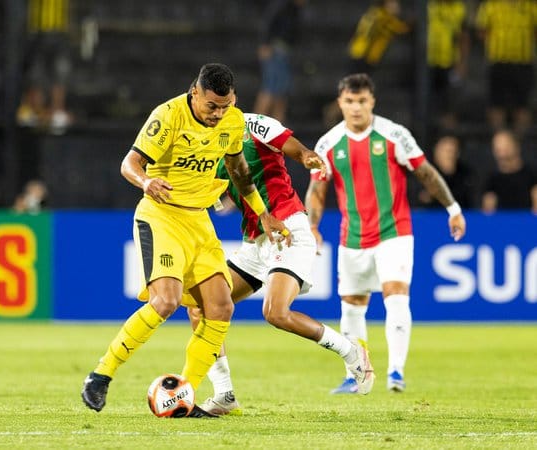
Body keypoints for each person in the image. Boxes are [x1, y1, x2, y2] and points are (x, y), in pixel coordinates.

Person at [81, 63, 287, 418]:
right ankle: (101, 375)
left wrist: (262, 212)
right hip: (162, 217)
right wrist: (146, 181)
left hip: (199, 222)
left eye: (225, 105)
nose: (218, 113)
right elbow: (129, 163)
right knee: (166, 301)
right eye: (211, 106)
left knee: (221, 307)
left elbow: (239, 171)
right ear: (195, 93)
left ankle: (183, 395)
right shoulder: (168, 116)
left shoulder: (233, 121)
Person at [187, 111, 375, 415]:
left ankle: (352, 352)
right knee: (201, 306)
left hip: (287, 229)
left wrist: (306, 156)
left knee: (275, 312)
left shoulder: (252, 124)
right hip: (255, 241)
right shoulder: (206, 141)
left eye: (220, 105)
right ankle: (224, 395)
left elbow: (291, 146)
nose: (213, 112)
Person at [305, 73, 467, 394]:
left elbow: (426, 173)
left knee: (396, 295)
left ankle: (396, 373)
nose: (356, 108)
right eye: (350, 101)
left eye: (362, 101)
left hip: (394, 232)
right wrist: (312, 226)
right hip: (352, 237)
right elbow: (317, 191)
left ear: (372, 102)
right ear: (340, 103)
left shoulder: (394, 135)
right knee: (352, 305)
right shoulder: (327, 144)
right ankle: (357, 375)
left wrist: (453, 208)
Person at [323, 0, 410, 127]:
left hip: (358, 55)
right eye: (393, 3)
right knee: (355, 91)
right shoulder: (384, 17)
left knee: (358, 90)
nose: (397, 6)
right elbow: (401, 29)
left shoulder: (373, 13)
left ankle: (339, 115)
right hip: (364, 58)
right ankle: (332, 113)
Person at [475, 0, 537, 136]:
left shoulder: (531, 6)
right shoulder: (491, 5)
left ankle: (519, 142)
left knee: (522, 106)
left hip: (523, 63)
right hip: (498, 62)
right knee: (496, 105)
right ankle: (500, 141)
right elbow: (481, 30)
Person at [16, 0, 73, 135]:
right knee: (35, 71)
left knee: (60, 70)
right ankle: (36, 110)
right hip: (35, 30)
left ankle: (56, 110)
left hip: (59, 30)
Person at [253, 0, 307, 123]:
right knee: (270, 89)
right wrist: (264, 43)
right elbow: (268, 23)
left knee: (281, 93)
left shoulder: (296, 10)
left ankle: (277, 129)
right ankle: (254, 128)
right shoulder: (282, 5)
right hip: (275, 51)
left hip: (286, 53)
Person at [427, 0, 470, 130]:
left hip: (450, 63)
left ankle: (448, 135)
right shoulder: (429, 6)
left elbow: (464, 37)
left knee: (449, 105)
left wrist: (462, 63)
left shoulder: (459, 8)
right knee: (428, 103)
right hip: (428, 63)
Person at [481, 129, 537, 213]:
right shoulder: (491, 180)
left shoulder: (532, 176)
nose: (501, 152)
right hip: (501, 220)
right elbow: (488, 212)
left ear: (516, 146)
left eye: (506, 146)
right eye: (498, 148)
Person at [418, 134, 476, 209]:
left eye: (452, 151)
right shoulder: (424, 174)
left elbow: (472, 203)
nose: (449, 155)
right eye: (445, 151)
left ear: (458, 153)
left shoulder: (466, 175)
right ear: (436, 151)